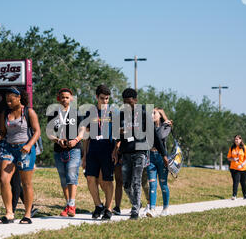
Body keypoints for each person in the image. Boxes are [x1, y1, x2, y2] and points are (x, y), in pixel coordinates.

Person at [113, 88, 169, 220]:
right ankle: (137, 203)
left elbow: (155, 136)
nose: (128, 105)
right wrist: (115, 150)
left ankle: (134, 211)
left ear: (136, 101)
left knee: (136, 181)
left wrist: (164, 155)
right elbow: (116, 135)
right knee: (126, 184)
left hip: (140, 151)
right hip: (126, 152)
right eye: (125, 102)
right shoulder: (121, 115)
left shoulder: (143, 114)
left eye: (130, 102)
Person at [0, 86, 41, 224]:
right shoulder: (5, 113)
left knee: (26, 183)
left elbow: (37, 131)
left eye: (11, 100)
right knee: (3, 179)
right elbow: (3, 132)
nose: (9, 103)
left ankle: (28, 214)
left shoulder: (29, 112)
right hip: (8, 149)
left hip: (25, 150)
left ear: (19, 98)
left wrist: (29, 145)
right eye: (7, 101)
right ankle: (9, 213)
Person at [48, 88, 85, 217]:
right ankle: (68, 204)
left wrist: (76, 139)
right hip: (59, 150)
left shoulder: (76, 112)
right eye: (62, 97)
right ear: (59, 98)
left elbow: (82, 130)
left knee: (71, 174)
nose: (65, 99)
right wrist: (58, 140)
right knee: (63, 179)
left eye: (67, 97)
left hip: (74, 149)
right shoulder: (53, 113)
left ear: (71, 98)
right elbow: (49, 133)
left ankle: (72, 205)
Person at [82, 85, 116, 220]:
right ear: (97, 97)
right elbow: (86, 135)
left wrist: (116, 151)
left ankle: (108, 208)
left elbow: (118, 136)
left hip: (108, 149)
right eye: (102, 98)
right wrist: (84, 155)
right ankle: (98, 205)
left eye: (107, 99)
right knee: (90, 178)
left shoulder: (114, 112)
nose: (105, 101)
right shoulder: (91, 112)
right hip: (93, 148)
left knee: (107, 180)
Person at [145, 108, 173, 217]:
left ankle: (165, 208)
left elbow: (160, 136)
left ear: (160, 115)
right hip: (150, 157)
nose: (152, 115)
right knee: (152, 183)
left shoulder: (166, 127)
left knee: (163, 183)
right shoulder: (148, 127)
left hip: (162, 157)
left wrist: (165, 123)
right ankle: (152, 209)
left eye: (154, 113)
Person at [227, 135, 246, 200]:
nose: (236, 140)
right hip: (234, 168)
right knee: (236, 181)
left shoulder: (244, 147)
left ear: (241, 140)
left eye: (238, 139)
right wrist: (233, 159)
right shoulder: (232, 148)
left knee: (243, 182)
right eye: (235, 139)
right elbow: (229, 158)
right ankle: (234, 195)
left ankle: (245, 194)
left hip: (244, 168)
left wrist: (242, 165)